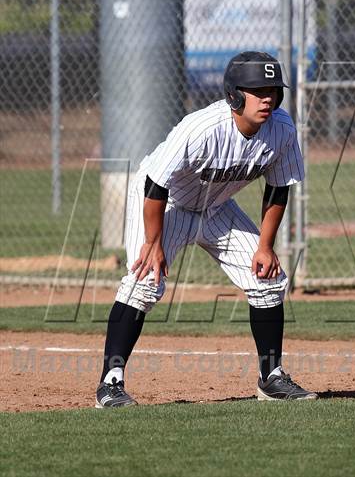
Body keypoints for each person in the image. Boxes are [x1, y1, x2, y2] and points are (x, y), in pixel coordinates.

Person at [95, 51, 318, 408]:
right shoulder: (202, 129)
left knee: (267, 278)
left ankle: (271, 377)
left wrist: (265, 245)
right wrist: (153, 242)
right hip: (164, 204)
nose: (267, 98)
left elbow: (279, 187)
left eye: (273, 90)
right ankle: (110, 383)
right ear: (234, 94)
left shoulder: (281, 129)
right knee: (143, 283)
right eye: (257, 90)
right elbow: (155, 182)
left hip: (215, 210)